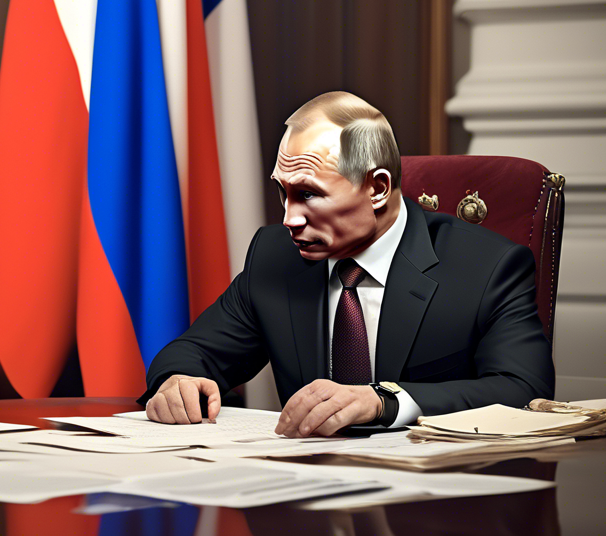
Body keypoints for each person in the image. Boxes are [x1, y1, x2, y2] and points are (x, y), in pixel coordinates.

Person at [141, 91, 554, 437]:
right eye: (283, 193)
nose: (288, 218)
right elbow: (192, 353)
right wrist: (179, 381)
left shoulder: (488, 266)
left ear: (377, 188)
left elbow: (524, 389)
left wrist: (383, 400)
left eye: (308, 194)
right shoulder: (274, 254)